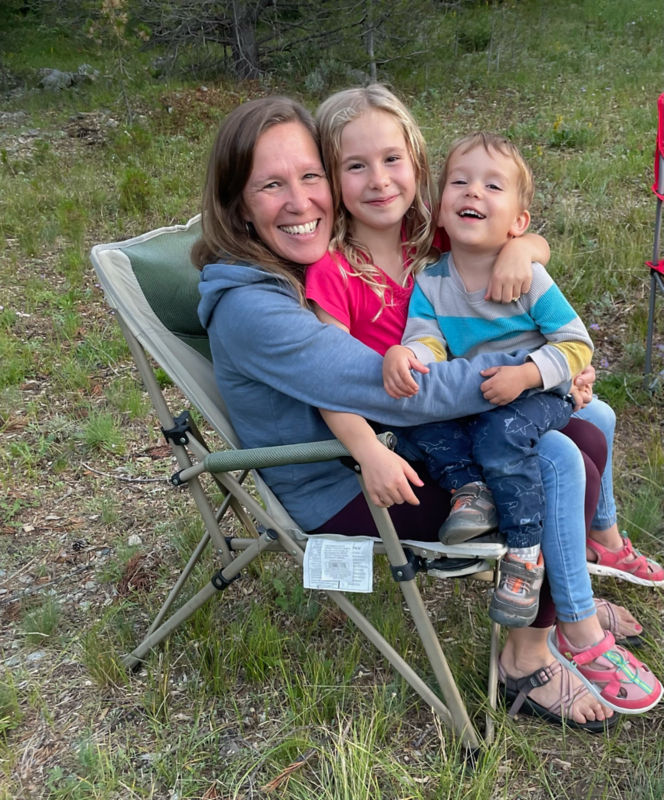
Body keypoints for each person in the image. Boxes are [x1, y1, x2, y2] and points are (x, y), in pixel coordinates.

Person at [193, 94, 661, 729]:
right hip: (353, 476)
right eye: (272, 185)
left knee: (588, 426)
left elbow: (501, 231)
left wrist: (529, 253)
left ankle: (570, 583)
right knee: (558, 458)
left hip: (416, 435)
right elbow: (394, 390)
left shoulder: (375, 247)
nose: (302, 201)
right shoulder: (269, 304)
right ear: (237, 205)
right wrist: (542, 365)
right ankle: (529, 653)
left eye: (309, 178)